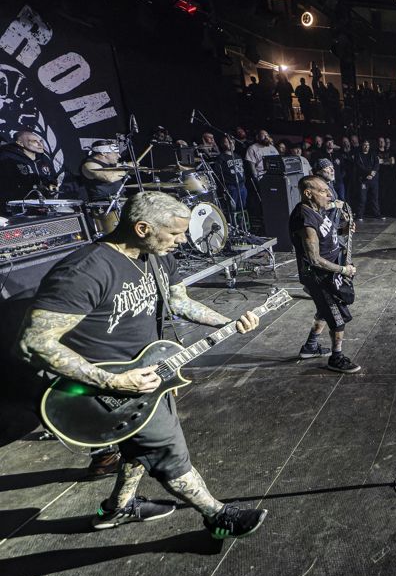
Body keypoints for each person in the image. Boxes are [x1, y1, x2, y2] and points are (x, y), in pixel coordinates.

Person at [17, 192, 268, 538]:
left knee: (136, 447)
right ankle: (217, 516)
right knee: (170, 454)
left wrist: (227, 321)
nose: (182, 241)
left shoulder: (157, 256)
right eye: (176, 234)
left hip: (151, 376)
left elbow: (179, 301)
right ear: (142, 227)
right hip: (103, 389)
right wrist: (113, 382)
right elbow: (35, 341)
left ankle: (117, 509)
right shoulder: (86, 270)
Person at [290, 175, 361, 373]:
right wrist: (343, 270)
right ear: (308, 193)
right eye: (323, 191)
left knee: (325, 310)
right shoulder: (305, 219)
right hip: (320, 277)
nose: (329, 195)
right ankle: (336, 358)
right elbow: (314, 259)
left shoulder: (317, 211)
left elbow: (326, 234)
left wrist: (343, 229)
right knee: (337, 318)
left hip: (330, 271)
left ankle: (310, 347)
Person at [0, 129, 57, 202]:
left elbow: (52, 178)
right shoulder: (7, 159)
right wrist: (33, 188)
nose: (40, 144)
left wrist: (52, 185)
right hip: (19, 207)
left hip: (45, 206)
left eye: (40, 141)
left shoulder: (44, 159)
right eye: (34, 141)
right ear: (20, 143)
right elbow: (7, 185)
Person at [212, 136, 247, 218]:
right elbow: (217, 172)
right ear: (222, 144)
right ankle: (234, 225)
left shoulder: (237, 156)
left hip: (242, 185)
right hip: (231, 186)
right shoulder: (221, 157)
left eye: (232, 142)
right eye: (228, 142)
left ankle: (242, 224)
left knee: (242, 207)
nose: (231, 144)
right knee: (233, 208)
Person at [352, 139, 383, 221]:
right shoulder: (358, 155)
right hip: (363, 179)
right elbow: (359, 167)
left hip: (373, 179)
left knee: (374, 198)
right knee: (362, 198)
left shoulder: (373, 154)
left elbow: (377, 164)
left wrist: (373, 173)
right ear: (362, 146)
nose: (366, 147)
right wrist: (368, 173)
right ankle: (359, 215)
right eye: (365, 145)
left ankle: (377, 214)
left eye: (368, 145)